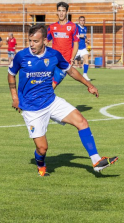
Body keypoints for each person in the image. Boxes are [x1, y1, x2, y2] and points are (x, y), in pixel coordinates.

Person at [7, 24, 118, 177]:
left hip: (51, 101)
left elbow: (71, 71)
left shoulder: (54, 55)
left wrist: (89, 85)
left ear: (45, 40)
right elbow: (11, 73)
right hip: (32, 108)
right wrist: (14, 97)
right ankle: (41, 164)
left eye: (36, 41)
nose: (32, 45)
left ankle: (96, 161)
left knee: (82, 121)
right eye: (30, 41)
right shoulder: (21, 56)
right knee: (42, 149)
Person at [47, 2, 79, 88]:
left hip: (65, 62)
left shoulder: (73, 27)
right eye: (59, 11)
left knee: (53, 84)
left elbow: (76, 44)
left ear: (67, 12)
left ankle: (41, 100)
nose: (61, 13)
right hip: (53, 60)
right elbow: (45, 41)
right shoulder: (52, 27)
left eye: (63, 11)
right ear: (57, 12)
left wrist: (72, 58)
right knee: (45, 84)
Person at [74, 16, 91, 81]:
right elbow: (73, 35)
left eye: (83, 20)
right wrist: (79, 36)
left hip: (83, 48)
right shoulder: (76, 27)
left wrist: (87, 40)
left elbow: (84, 37)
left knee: (86, 59)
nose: (82, 22)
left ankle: (85, 74)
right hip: (76, 48)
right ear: (79, 21)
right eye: (81, 20)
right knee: (69, 61)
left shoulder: (85, 28)